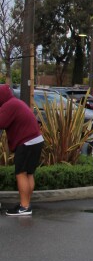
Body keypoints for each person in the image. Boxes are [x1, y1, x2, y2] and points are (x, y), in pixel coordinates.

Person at [0, 85, 43, 216]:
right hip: (36, 140)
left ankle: (24, 207)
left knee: (21, 173)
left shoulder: (9, 105)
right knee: (28, 173)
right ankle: (26, 204)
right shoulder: (15, 102)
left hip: (26, 142)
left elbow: (1, 123)